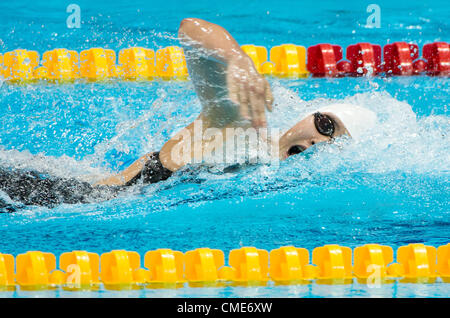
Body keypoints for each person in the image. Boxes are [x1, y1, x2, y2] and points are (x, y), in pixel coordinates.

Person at [0, 18, 376, 209]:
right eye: (325, 124)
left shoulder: (272, 179)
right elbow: (193, 29)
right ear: (308, 115)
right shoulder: (242, 134)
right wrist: (237, 62)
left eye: (334, 141)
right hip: (50, 198)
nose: (317, 141)